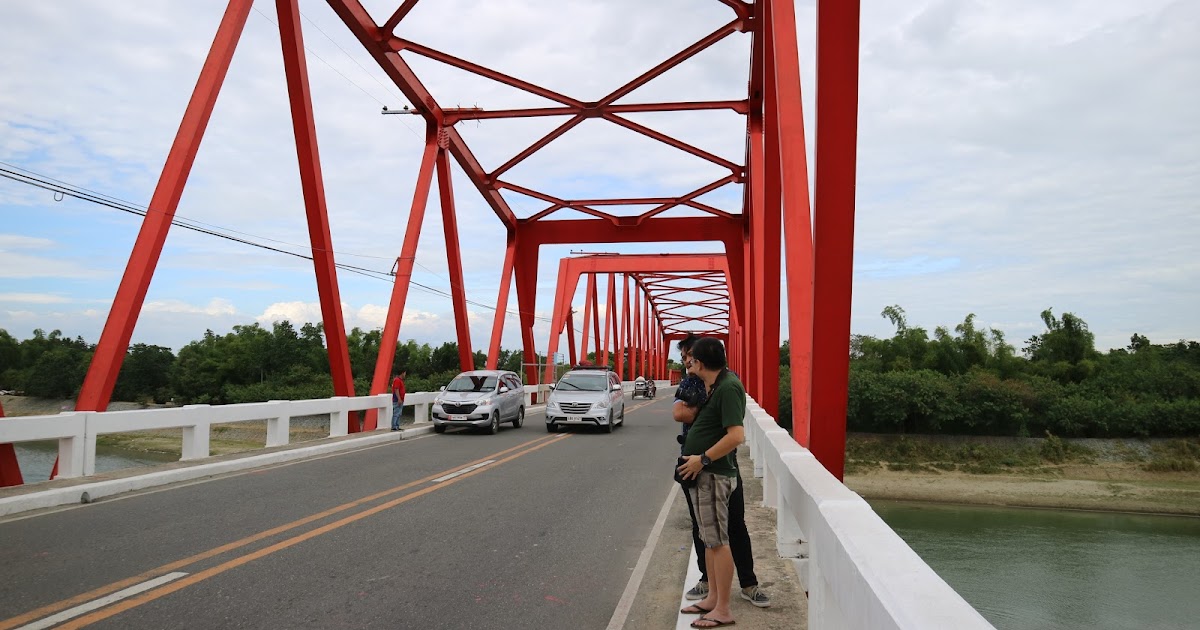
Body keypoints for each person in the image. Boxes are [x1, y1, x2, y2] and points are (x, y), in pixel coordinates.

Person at [673, 336, 770, 614]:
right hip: (702, 472)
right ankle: (713, 598)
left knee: (719, 540)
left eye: (690, 357)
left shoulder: (727, 387)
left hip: (713, 472)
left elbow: (736, 435)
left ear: (700, 361)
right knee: (709, 539)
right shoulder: (714, 384)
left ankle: (723, 609)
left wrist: (702, 459)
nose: (686, 361)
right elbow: (679, 412)